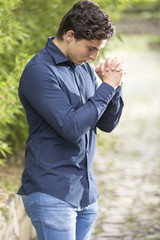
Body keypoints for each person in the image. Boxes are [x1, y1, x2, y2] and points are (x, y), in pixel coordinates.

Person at [18, 0, 125, 239]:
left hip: (85, 194)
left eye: (99, 50)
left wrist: (115, 88)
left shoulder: (83, 68)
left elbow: (106, 124)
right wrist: (106, 86)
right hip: (52, 193)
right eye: (90, 48)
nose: (95, 56)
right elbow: (72, 127)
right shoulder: (39, 71)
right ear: (69, 35)